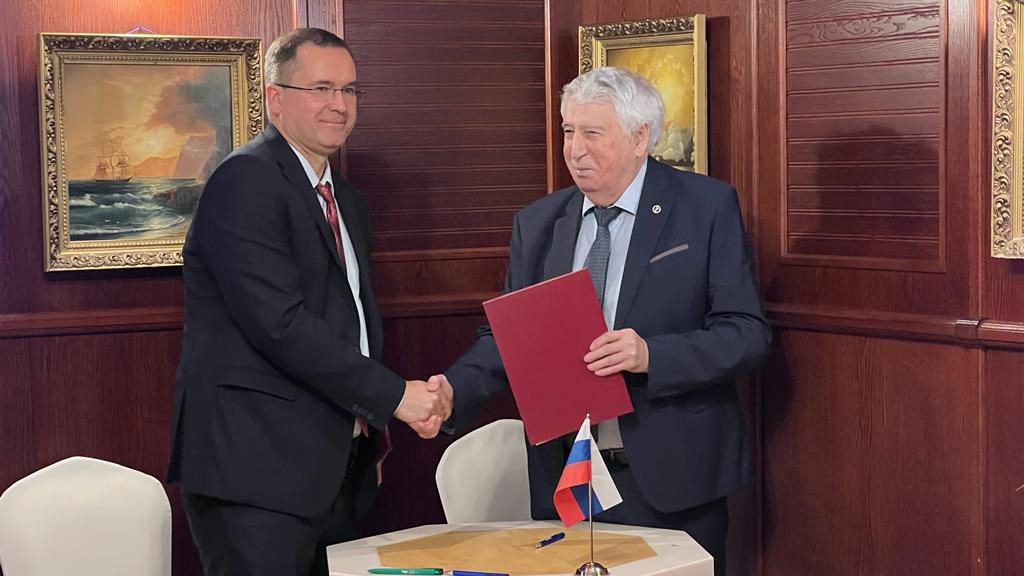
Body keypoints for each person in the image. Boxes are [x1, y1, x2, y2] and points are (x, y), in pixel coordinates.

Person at [430, 67, 771, 576]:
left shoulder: (706, 208)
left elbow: (746, 334)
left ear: (640, 138)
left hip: (671, 479)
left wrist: (651, 355)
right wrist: (452, 391)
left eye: (593, 133)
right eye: (569, 131)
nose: (575, 150)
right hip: (567, 478)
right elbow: (508, 336)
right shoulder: (539, 222)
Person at [166, 28, 451, 576]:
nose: (339, 105)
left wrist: (370, 429)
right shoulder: (244, 179)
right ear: (276, 98)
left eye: (349, 90)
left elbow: (350, 323)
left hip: (330, 473)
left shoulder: (346, 199)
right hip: (254, 476)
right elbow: (280, 325)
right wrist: (395, 396)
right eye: (321, 88)